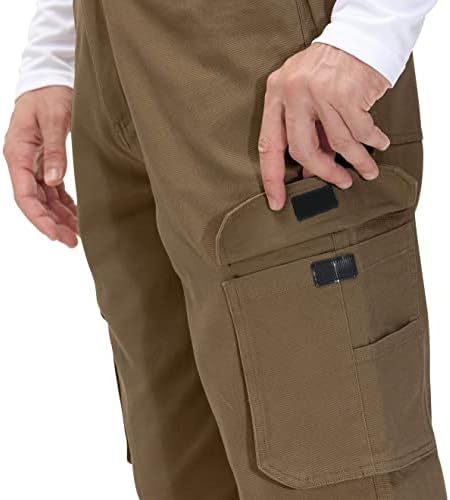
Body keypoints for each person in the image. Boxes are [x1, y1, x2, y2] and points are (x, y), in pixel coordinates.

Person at [3, 0, 447, 498]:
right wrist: (55, 51)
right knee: (180, 466)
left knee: (334, 469)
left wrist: (368, 32)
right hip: (107, 54)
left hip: (262, 51)